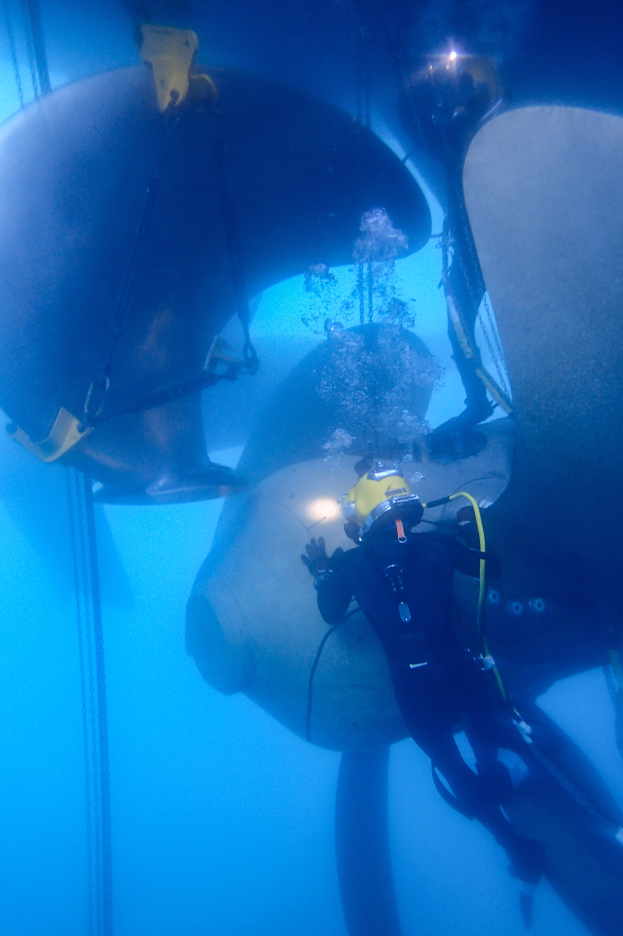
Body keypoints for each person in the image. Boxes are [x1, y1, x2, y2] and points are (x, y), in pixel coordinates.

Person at [302, 459, 545, 924]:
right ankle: (495, 771)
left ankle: (517, 849)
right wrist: (467, 530)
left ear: (364, 514)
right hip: (458, 669)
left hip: (411, 684)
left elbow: (330, 613)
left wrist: (320, 570)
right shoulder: (437, 545)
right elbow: (490, 568)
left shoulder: (350, 565)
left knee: (448, 762)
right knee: (478, 727)